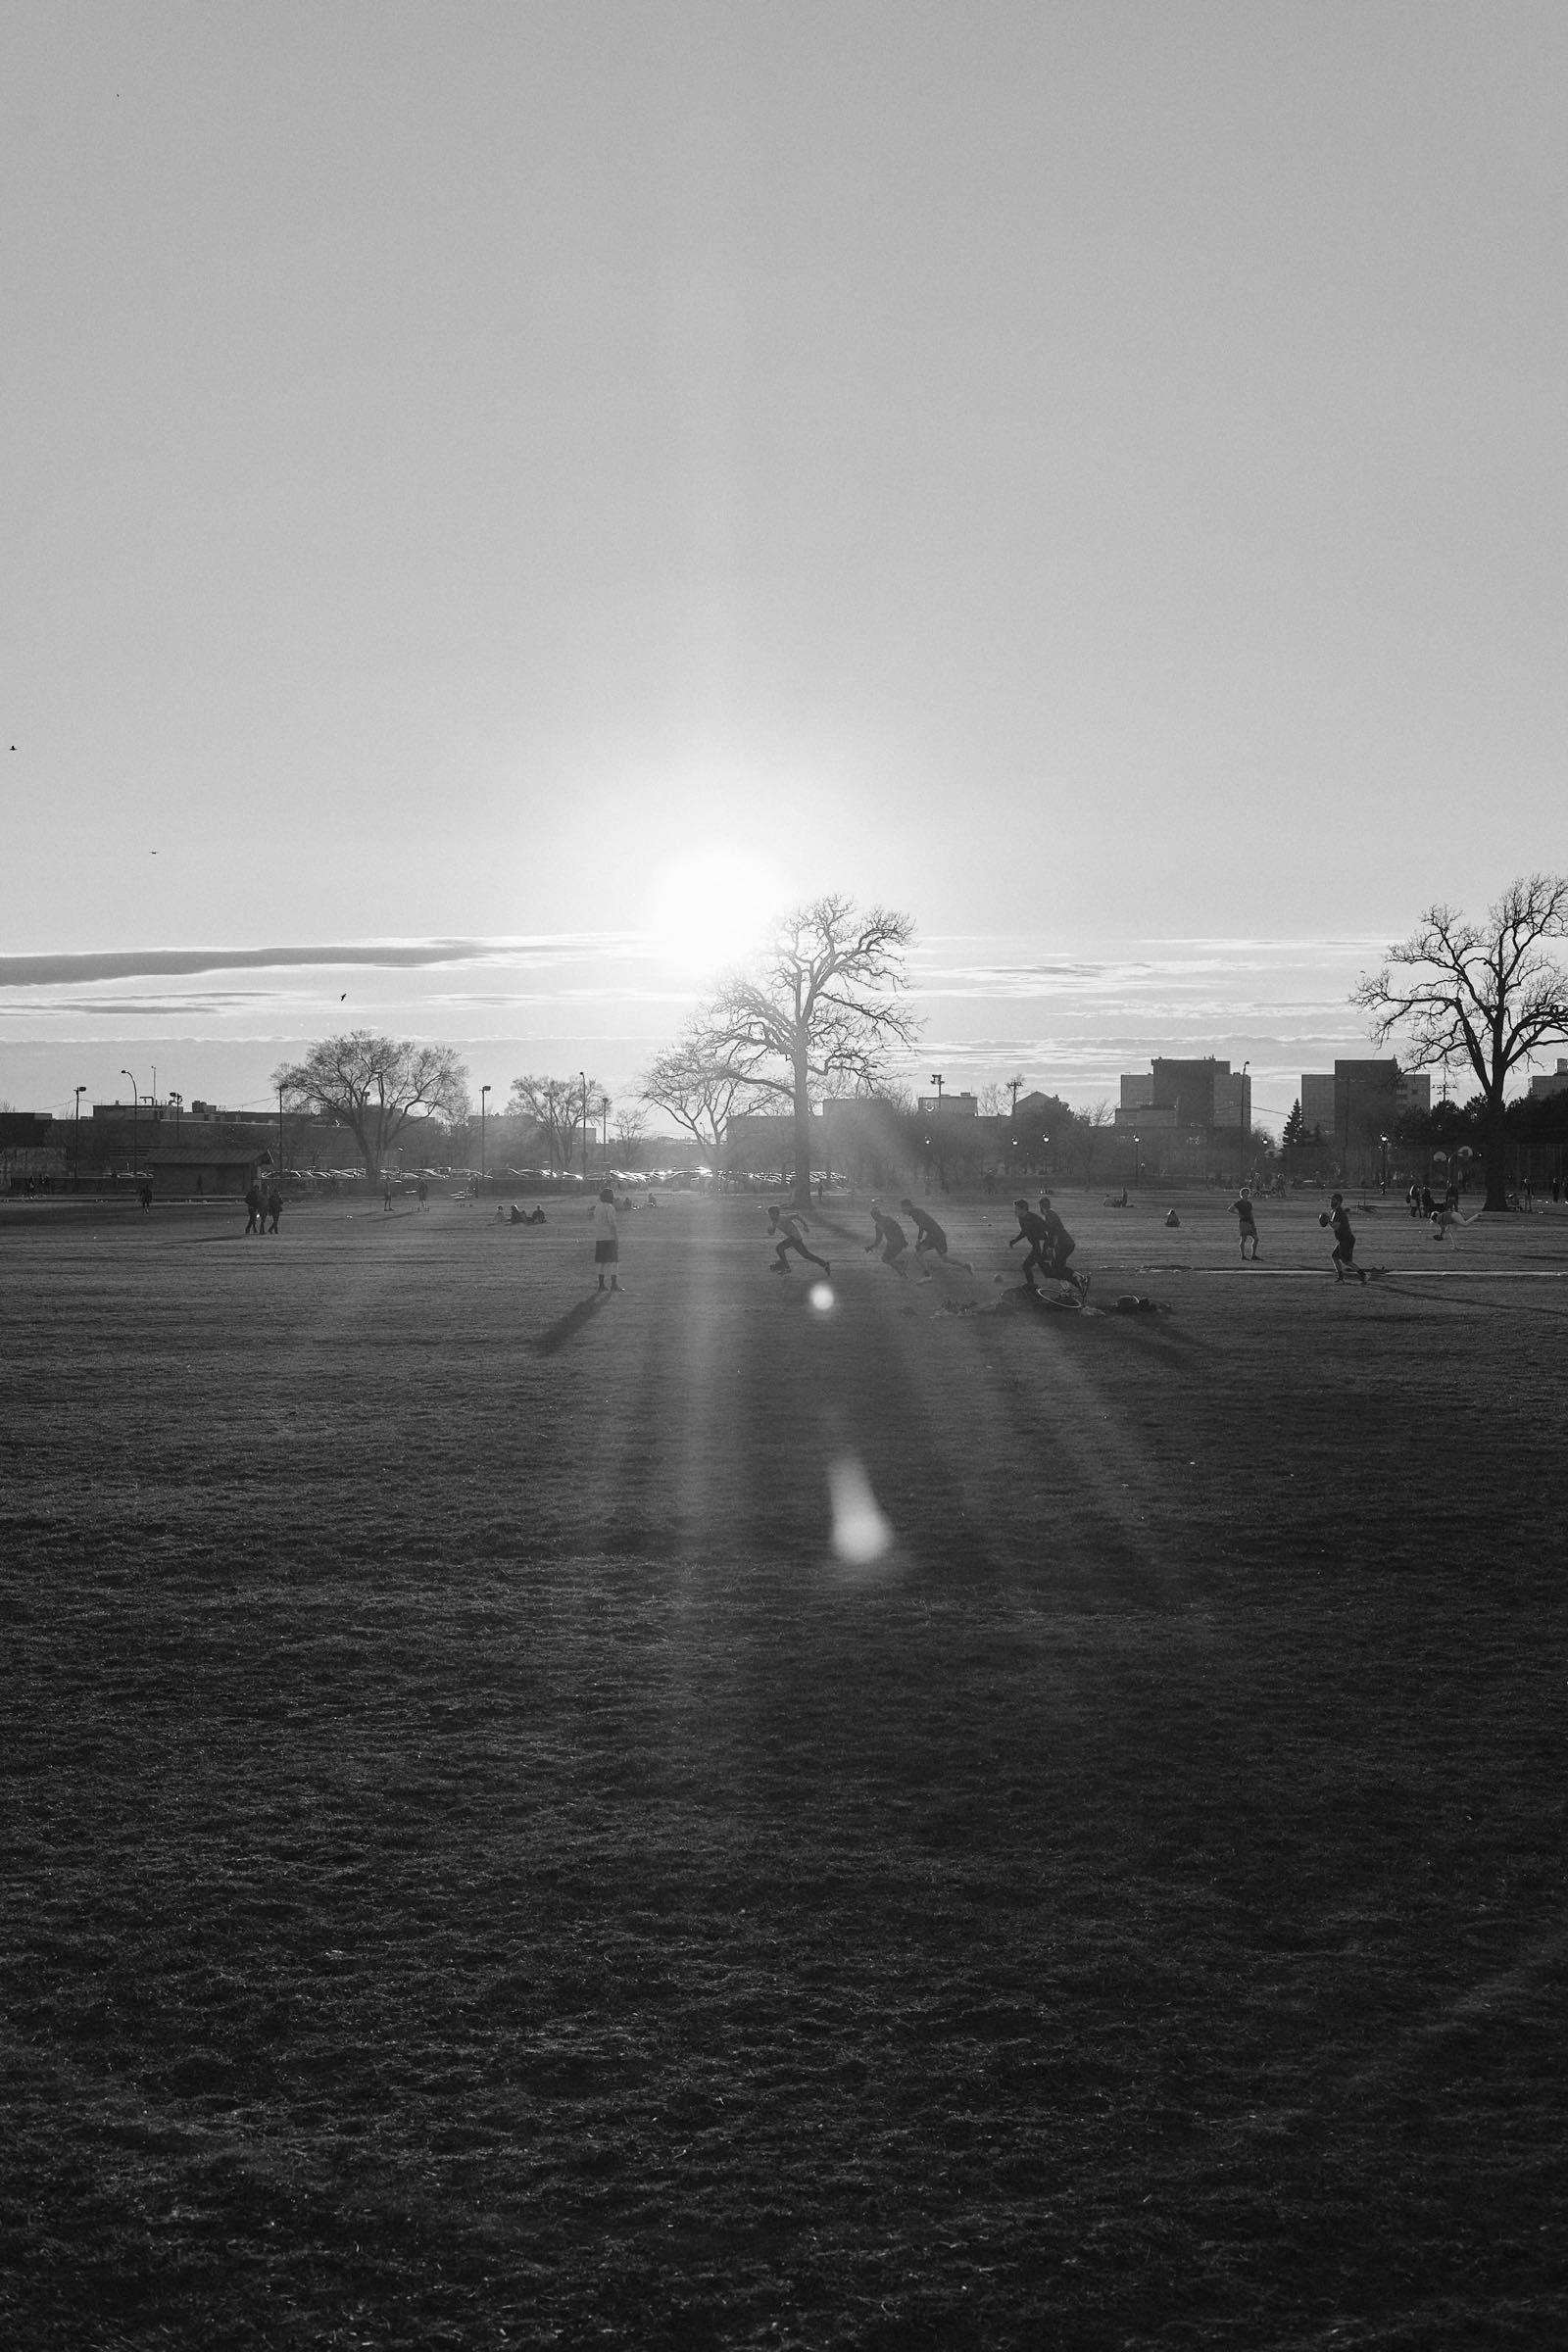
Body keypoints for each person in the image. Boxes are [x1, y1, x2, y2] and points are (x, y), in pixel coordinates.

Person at [899, 1196, 972, 1274]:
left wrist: (919, 1239)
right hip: (937, 1235)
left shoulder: (915, 1213)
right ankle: (966, 1266)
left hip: (935, 1236)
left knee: (918, 1254)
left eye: (903, 1208)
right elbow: (925, 1225)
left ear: (908, 1206)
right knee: (944, 1258)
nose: (902, 1210)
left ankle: (927, 1275)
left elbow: (922, 1225)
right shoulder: (916, 1212)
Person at [1035, 1193, 1085, 1294]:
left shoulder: (1049, 1214)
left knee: (1057, 1267)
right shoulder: (1051, 1213)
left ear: (1040, 1206)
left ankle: (1079, 1278)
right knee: (1057, 1267)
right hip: (1066, 1243)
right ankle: (1068, 1287)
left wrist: (1051, 1246)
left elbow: (1055, 1231)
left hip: (1064, 1244)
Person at [769, 1203, 830, 1277]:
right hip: (794, 1238)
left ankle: (786, 1266)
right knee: (806, 1255)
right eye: (769, 1214)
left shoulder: (783, 1218)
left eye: (771, 1214)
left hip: (795, 1237)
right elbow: (772, 1232)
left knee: (779, 1248)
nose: (770, 1216)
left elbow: (796, 1215)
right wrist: (770, 1231)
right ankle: (824, 1264)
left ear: (776, 1213)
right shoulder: (774, 1221)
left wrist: (805, 1225)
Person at [1326, 1192, 1366, 1284]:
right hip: (1344, 1239)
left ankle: (1362, 1275)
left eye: (1333, 1200)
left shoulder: (1338, 1212)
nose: (1331, 1202)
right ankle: (1340, 1277)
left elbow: (1336, 1226)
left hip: (1346, 1239)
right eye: (1331, 1200)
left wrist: (1328, 1221)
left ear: (1339, 1202)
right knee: (1335, 1257)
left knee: (1346, 1261)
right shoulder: (1337, 1211)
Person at [865, 1201, 910, 1277]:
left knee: (886, 1259)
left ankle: (902, 1264)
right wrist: (904, 1240)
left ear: (874, 1216)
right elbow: (898, 1229)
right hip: (898, 1242)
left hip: (893, 1243)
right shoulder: (888, 1219)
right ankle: (902, 1272)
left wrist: (871, 1247)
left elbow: (878, 1240)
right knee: (890, 1259)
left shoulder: (879, 1224)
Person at [592, 1186, 622, 1290]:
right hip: (609, 1237)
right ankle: (614, 1284)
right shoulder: (609, 1207)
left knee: (601, 1262)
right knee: (613, 1261)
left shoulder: (597, 1207)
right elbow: (612, 1223)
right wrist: (616, 1237)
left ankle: (601, 1284)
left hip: (599, 1237)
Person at [1229, 1190, 1260, 1260]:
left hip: (1250, 1223)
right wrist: (1238, 1214)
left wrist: (1253, 1223)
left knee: (1256, 1239)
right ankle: (1243, 1256)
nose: (1246, 1195)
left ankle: (1253, 1256)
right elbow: (1230, 1209)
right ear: (1241, 1194)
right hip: (1243, 1223)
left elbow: (1250, 1213)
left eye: (1247, 1193)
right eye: (1245, 1193)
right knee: (1243, 1239)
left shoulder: (1249, 1203)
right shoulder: (1239, 1203)